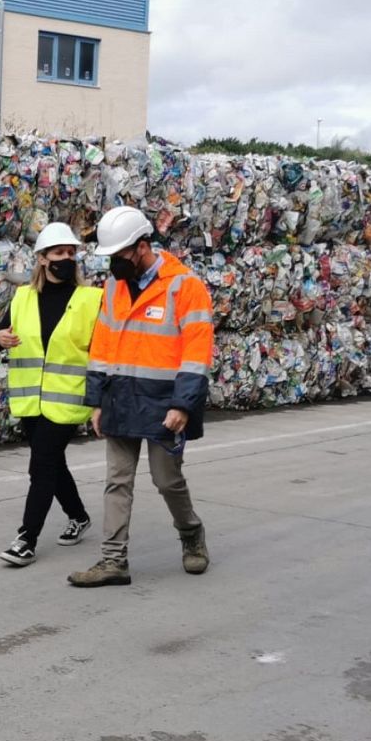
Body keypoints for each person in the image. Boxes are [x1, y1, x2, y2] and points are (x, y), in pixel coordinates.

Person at [68, 206, 213, 588]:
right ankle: (113, 560)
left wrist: (183, 404)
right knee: (117, 480)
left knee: (166, 480)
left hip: (164, 402)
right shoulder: (114, 287)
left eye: (119, 256)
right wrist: (96, 401)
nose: (113, 264)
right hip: (121, 398)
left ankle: (191, 533)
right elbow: (102, 345)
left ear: (142, 247)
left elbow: (197, 353)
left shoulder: (185, 286)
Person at [0, 222, 102, 566]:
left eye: (71, 253)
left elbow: (103, 353)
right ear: (42, 258)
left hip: (68, 399)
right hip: (30, 399)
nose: (66, 258)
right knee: (53, 463)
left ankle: (26, 539)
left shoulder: (91, 299)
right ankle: (78, 516)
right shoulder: (23, 297)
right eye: (58, 253)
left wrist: (101, 400)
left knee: (40, 466)